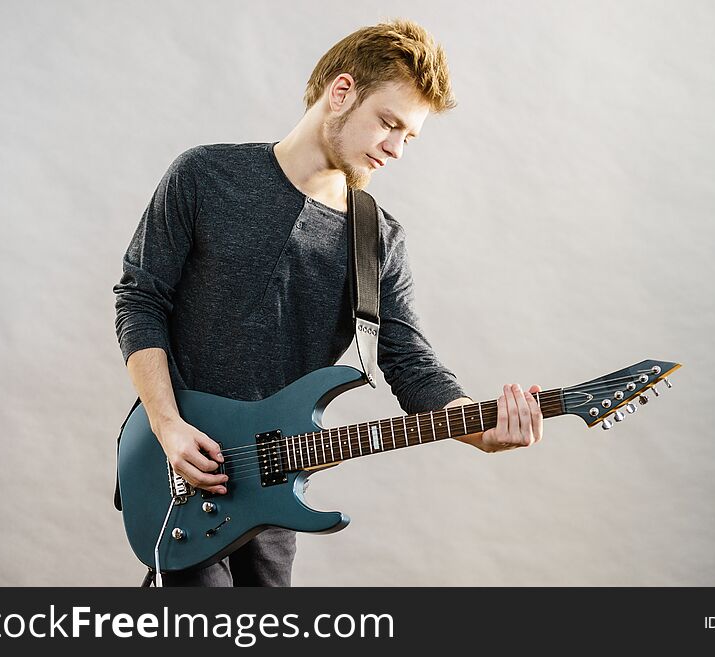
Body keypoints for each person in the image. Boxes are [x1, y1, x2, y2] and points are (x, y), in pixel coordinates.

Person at [113, 18, 543, 587]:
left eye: (409, 137)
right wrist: (168, 425)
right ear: (341, 93)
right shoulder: (205, 175)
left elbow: (411, 365)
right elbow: (140, 300)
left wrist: (481, 427)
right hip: (179, 468)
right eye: (389, 124)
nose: (395, 148)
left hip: (275, 492)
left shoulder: (377, 240)